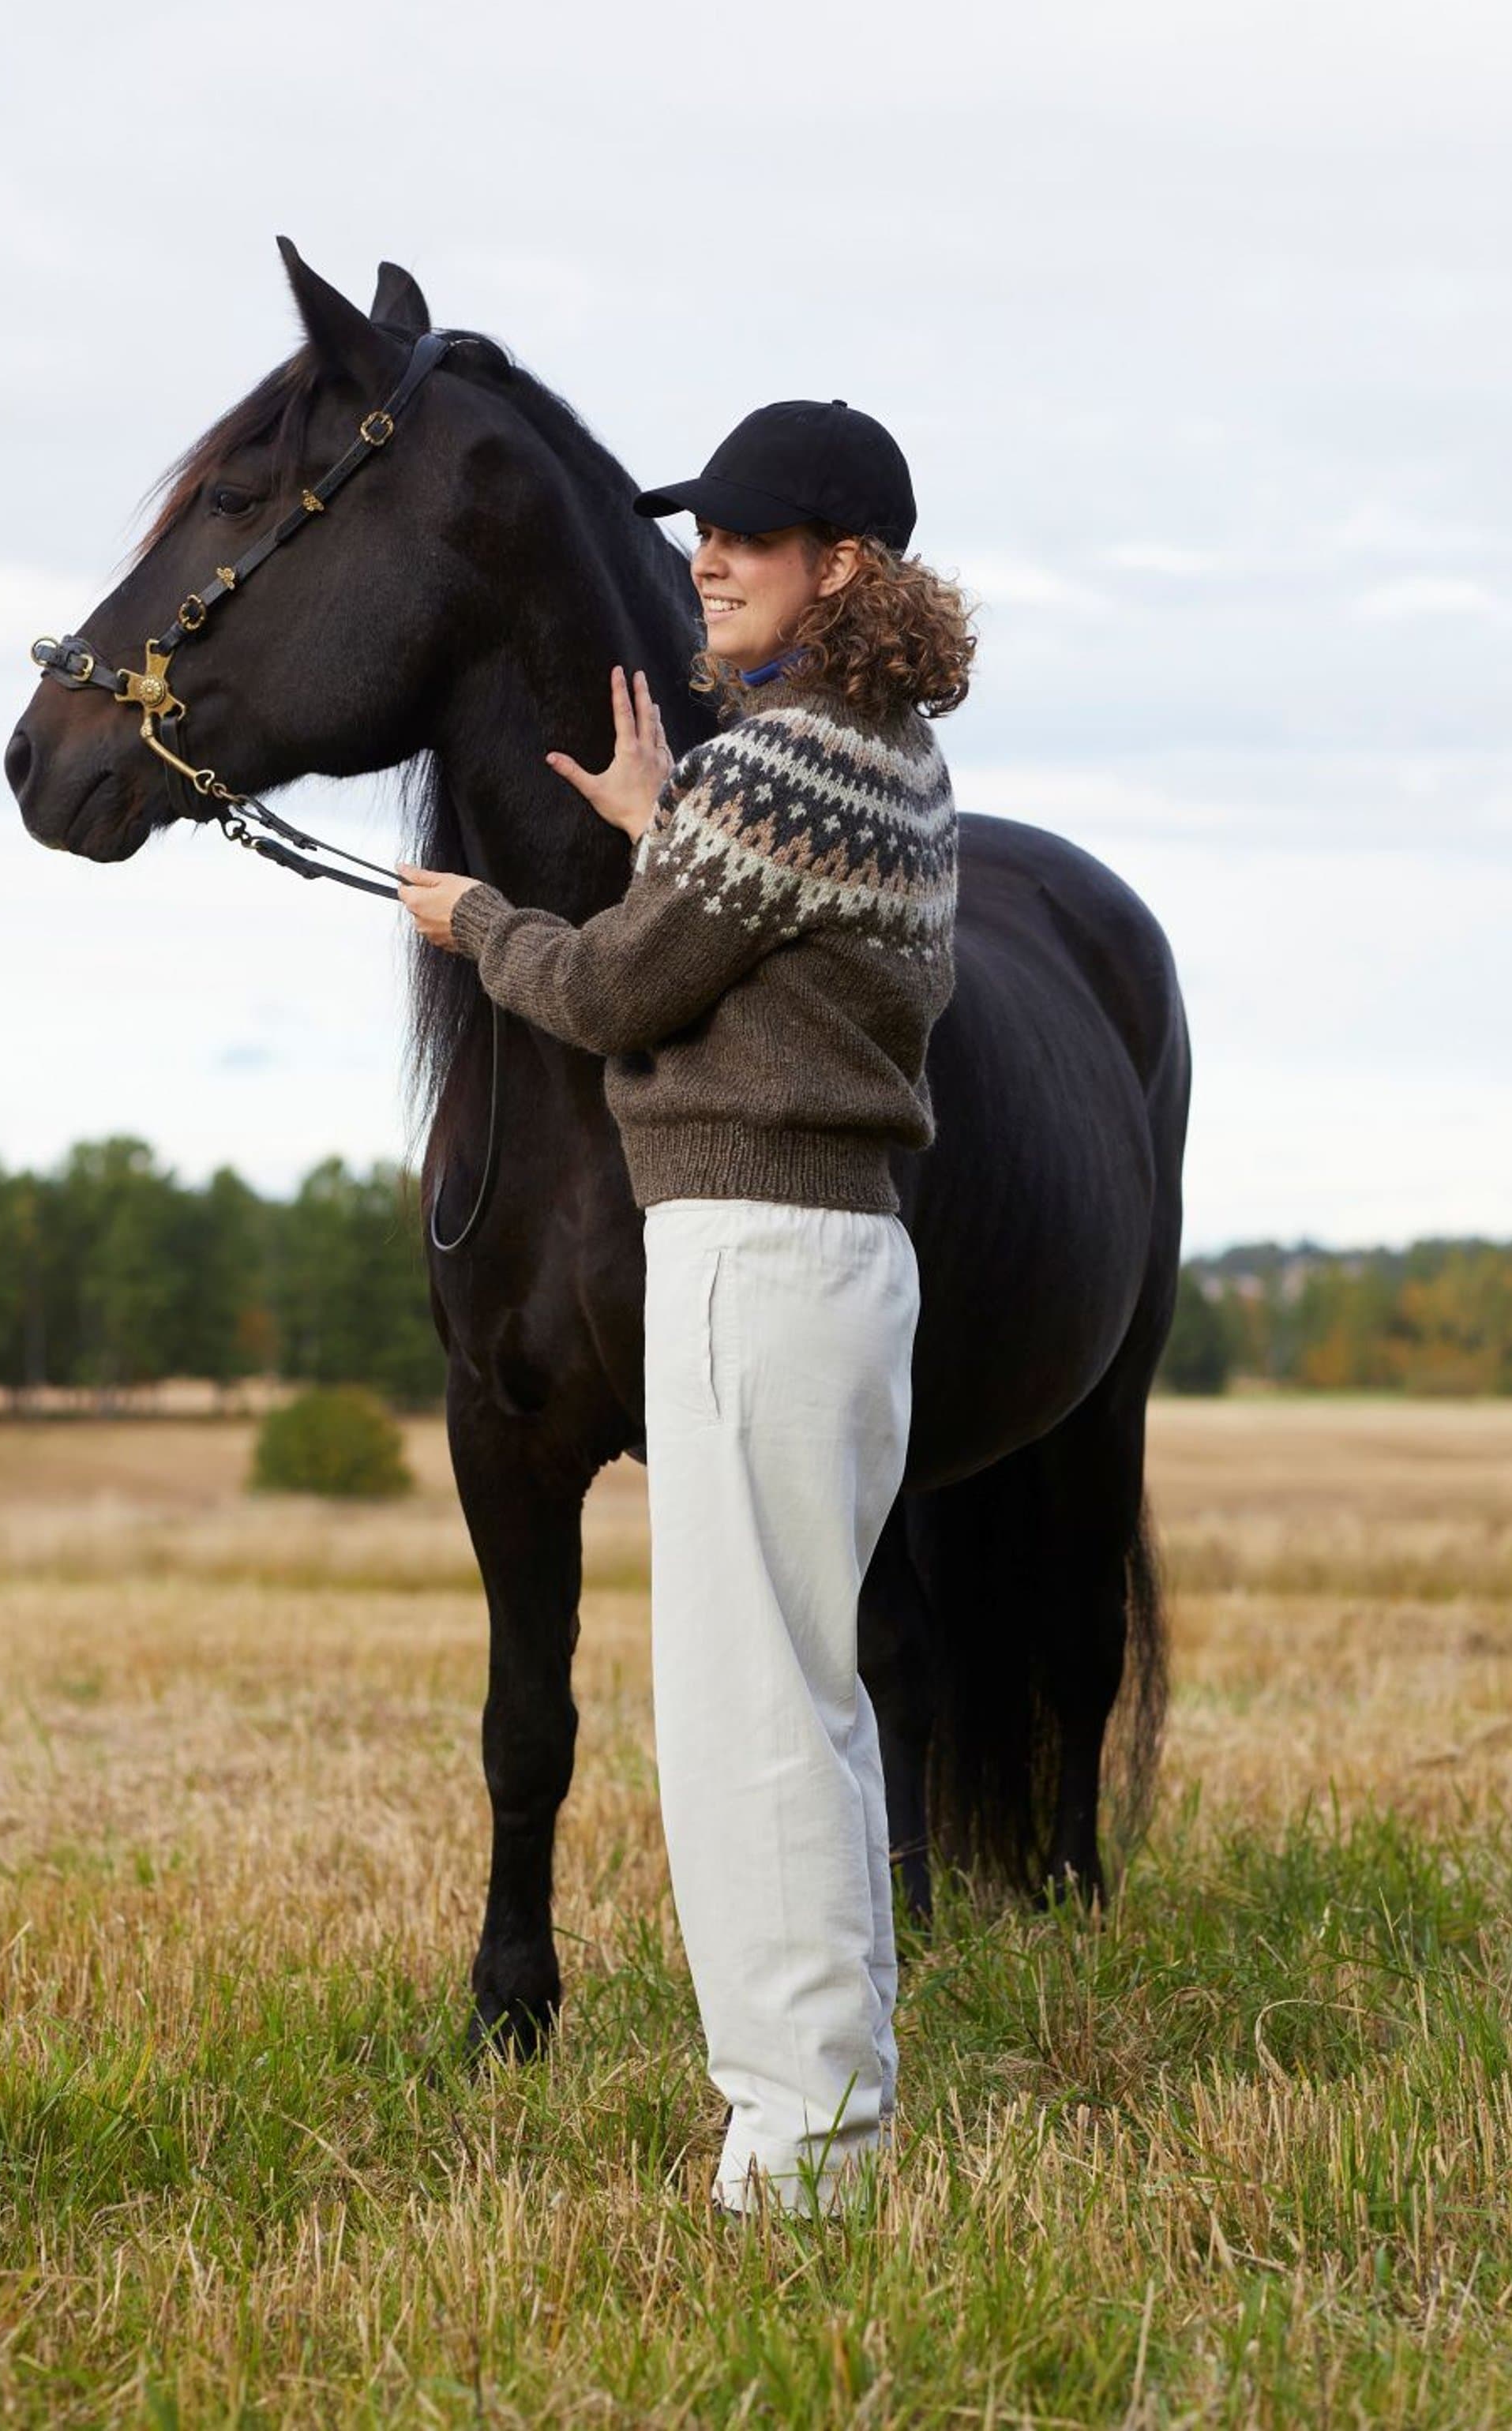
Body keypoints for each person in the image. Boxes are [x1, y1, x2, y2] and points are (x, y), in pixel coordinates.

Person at [395, 395, 970, 2220]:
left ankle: (796, 2162)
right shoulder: (883, 756)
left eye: (746, 534)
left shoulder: (773, 769)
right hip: (842, 1261)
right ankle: (835, 2101)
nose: (702, 558)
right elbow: (761, 954)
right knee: (811, 1696)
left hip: (749, 1260)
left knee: (745, 1722)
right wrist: (667, 821)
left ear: (841, 565)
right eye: (698, 528)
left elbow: (614, 991)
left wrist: (475, 920)